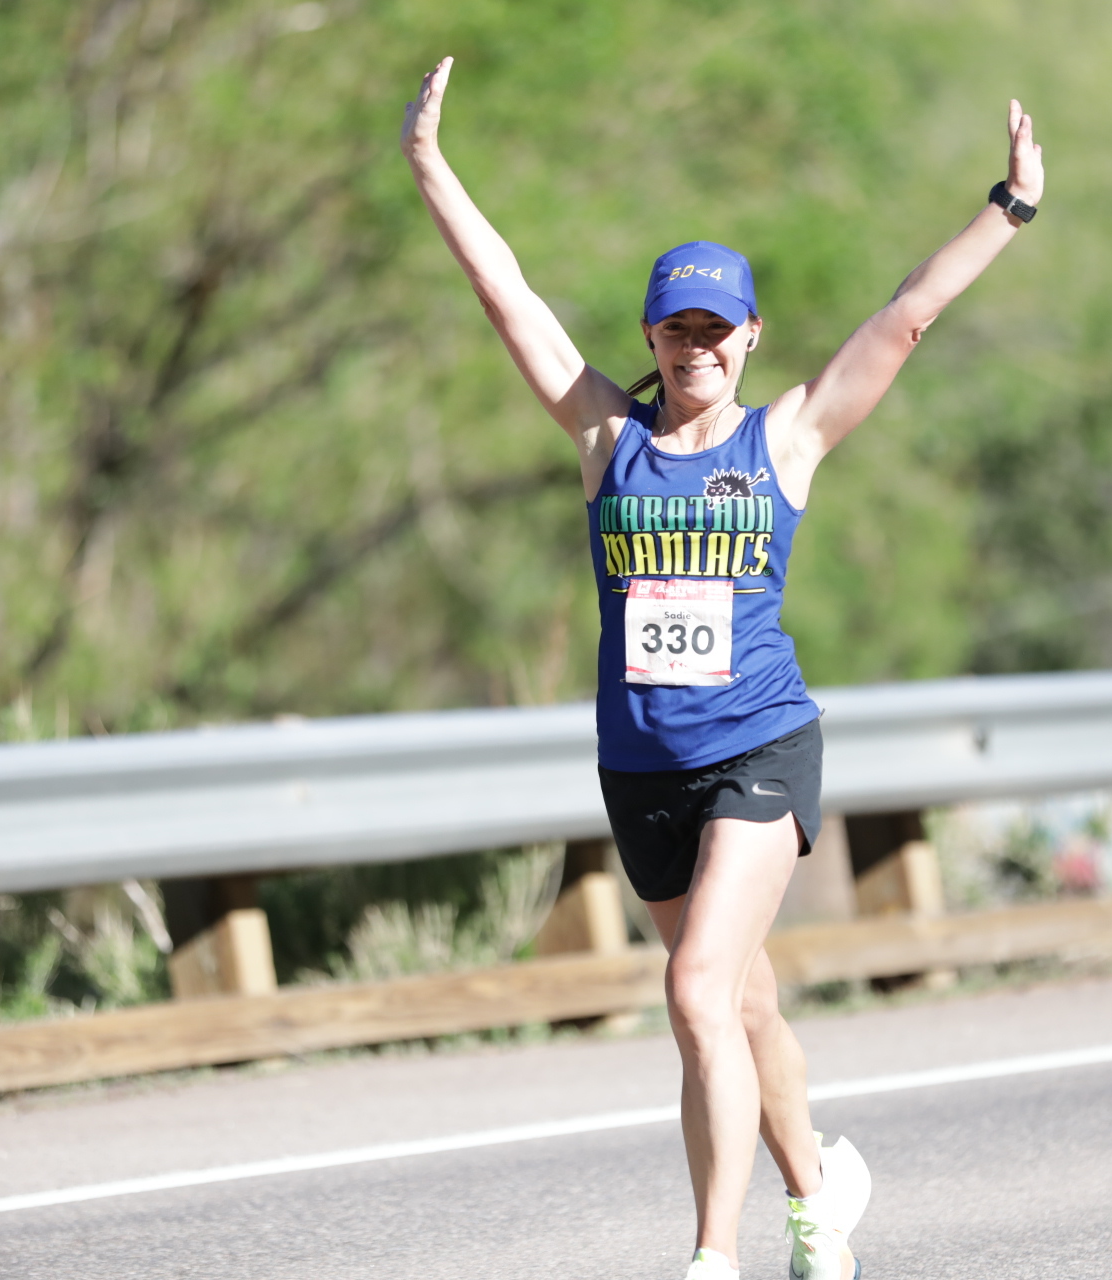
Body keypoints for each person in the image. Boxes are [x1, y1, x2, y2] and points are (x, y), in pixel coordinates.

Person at [402, 56, 1044, 1280]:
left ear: (748, 337)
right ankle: (817, 1196)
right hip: (642, 767)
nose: (694, 345)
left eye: (715, 327)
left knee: (696, 990)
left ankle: (712, 1255)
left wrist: (1006, 208)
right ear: (652, 336)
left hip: (758, 745)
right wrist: (432, 166)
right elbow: (506, 294)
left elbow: (904, 317)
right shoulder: (607, 437)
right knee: (741, 1004)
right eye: (675, 327)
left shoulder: (784, 437)